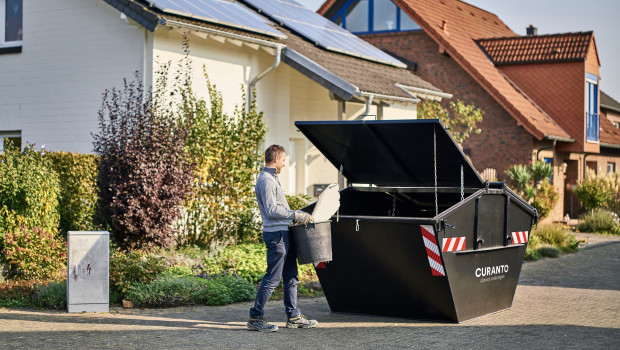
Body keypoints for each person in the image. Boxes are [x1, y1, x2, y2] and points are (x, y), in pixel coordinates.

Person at [247, 144, 318, 332]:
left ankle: (294, 316)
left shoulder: (272, 178)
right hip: (276, 236)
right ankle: (255, 318)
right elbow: (271, 210)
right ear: (276, 159)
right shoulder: (267, 180)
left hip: (283, 233)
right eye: (284, 160)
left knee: (291, 276)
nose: (285, 164)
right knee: (272, 278)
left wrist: (291, 221)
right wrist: (295, 215)